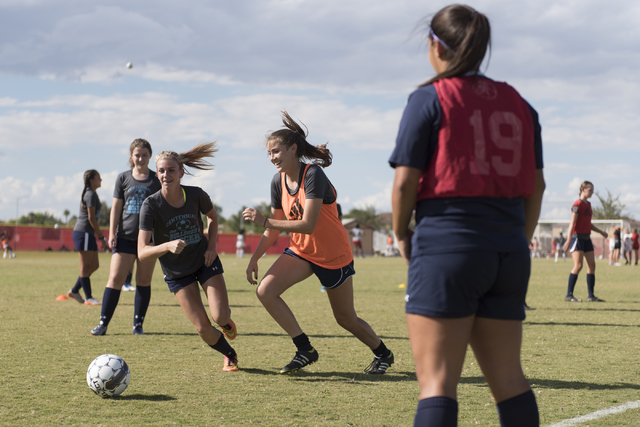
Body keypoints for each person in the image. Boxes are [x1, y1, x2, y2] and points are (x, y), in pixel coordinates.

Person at [389, 5, 545, 425]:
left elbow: (405, 183)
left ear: (435, 46)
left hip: (448, 245)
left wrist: (401, 233)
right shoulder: (521, 103)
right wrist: (517, 238)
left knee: (437, 383)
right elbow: (538, 186)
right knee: (510, 379)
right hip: (509, 250)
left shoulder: (429, 98)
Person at [242, 111, 394, 375]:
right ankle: (305, 349)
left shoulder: (313, 175)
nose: (272, 158)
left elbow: (308, 224)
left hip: (332, 255)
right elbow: (277, 226)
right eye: (269, 153)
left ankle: (383, 353)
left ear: (293, 149)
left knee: (345, 318)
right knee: (265, 291)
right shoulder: (277, 182)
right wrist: (255, 257)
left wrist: (265, 222)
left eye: (276, 151)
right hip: (301, 252)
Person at [137, 143, 239, 371]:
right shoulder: (150, 205)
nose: (166, 175)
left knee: (220, 316)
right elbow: (142, 253)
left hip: (205, 261)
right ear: (157, 174)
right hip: (176, 272)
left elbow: (212, 218)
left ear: (181, 172)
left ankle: (225, 323)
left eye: (171, 170)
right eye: (161, 171)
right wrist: (167, 246)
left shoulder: (196, 195)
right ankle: (229, 354)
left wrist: (212, 247)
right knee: (203, 327)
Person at [91, 139, 161, 336]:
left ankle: (138, 325)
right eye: (137, 154)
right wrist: (112, 232)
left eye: (144, 154)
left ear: (150, 157)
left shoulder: (157, 179)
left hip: (148, 240)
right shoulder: (123, 178)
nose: (140, 158)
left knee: (143, 280)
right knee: (115, 278)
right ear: (131, 156)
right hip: (125, 237)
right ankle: (103, 323)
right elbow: (116, 207)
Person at [563, 181, 608, 302]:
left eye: (593, 190)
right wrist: (568, 240)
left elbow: (588, 223)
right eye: (590, 190)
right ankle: (569, 295)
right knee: (578, 266)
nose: (592, 192)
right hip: (577, 238)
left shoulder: (588, 204)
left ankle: (591, 296)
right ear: (583, 189)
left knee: (592, 266)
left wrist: (601, 232)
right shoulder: (577, 204)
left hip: (587, 238)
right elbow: (572, 223)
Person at [67, 170, 107, 306]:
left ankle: (74, 290)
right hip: (83, 232)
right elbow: (91, 218)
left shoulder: (93, 194)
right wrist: (101, 236)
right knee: (84, 268)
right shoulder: (90, 194)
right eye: (98, 178)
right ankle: (89, 298)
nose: (100, 180)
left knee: (94, 265)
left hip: (88, 234)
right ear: (91, 180)